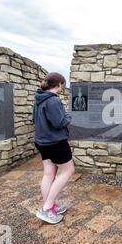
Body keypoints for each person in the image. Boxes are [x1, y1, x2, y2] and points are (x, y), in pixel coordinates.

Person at [32, 72, 74, 224]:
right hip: (56, 143)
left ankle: (49, 206)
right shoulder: (53, 101)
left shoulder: (38, 99)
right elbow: (59, 122)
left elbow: (34, 120)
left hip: (42, 142)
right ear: (60, 84)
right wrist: (69, 116)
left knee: (49, 174)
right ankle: (47, 208)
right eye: (63, 85)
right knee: (68, 171)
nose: (63, 88)